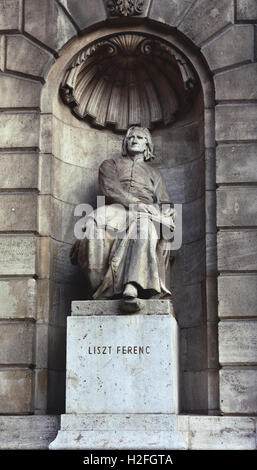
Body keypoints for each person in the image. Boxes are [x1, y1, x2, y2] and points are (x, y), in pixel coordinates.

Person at [71, 126, 175, 312]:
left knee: (144, 227)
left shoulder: (155, 174)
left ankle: (132, 285)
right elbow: (110, 188)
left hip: (146, 215)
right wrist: (137, 204)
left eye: (140, 138)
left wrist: (167, 213)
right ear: (125, 143)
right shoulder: (110, 165)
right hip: (116, 211)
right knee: (94, 232)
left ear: (147, 146)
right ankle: (103, 289)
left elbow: (165, 201)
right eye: (131, 137)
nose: (134, 140)